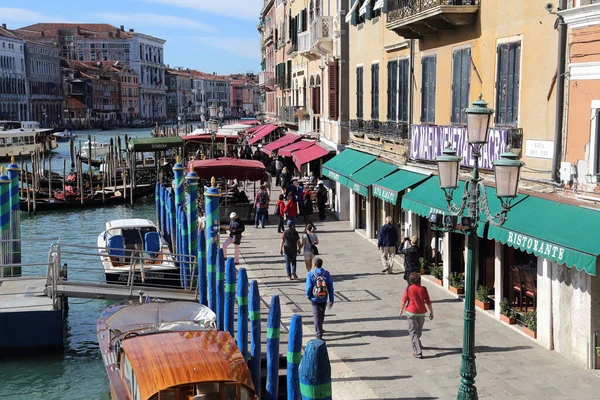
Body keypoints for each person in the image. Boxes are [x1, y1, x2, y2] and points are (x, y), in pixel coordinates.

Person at [399, 272, 434, 358]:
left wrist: (401, 310)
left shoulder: (409, 289)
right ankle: (418, 343)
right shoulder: (423, 289)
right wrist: (431, 312)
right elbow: (428, 301)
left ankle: (418, 351)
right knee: (418, 330)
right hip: (421, 313)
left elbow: (403, 300)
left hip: (411, 312)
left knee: (413, 332)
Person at [305, 257, 334, 340]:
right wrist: (331, 299)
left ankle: (319, 334)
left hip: (315, 298)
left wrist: (308, 296)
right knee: (321, 314)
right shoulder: (326, 273)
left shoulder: (310, 274)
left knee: (316, 315)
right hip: (324, 297)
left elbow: (309, 287)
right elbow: (331, 287)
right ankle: (320, 327)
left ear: (314, 265)